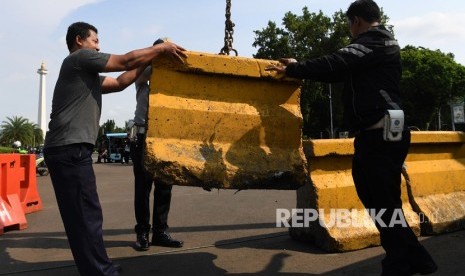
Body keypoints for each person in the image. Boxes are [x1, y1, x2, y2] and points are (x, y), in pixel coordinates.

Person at [266, 1, 437, 275]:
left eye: (349, 25)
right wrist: (302, 68)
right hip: (377, 134)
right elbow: (337, 70)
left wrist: (297, 68)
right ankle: (417, 258)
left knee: (382, 202)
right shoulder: (376, 46)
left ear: (356, 20)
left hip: (381, 135)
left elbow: (337, 62)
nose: (349, 31)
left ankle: (399, 264)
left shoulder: (377, 41)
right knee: (379, 200)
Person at [43, 22, 186, 276]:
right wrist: (161, 49)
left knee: (85, 215)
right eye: (95, 40)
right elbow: (125, 61)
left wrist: (150, 59)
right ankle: (101, 271)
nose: (99, 46)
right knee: (87, 216)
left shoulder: (85, 75)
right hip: (69, 148)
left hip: (69, 149)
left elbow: (122, 81)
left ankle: (99, 267)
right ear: (79, 41)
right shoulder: (79, 59)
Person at [129, 38, 183, 251]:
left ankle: (160, 232)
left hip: (165, 136)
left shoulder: (172, 78)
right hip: (143, 135)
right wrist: (160, 54)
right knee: (142, 187)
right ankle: (142, 232)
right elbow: (148, 70)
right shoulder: (144, 72)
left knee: (164, 186)